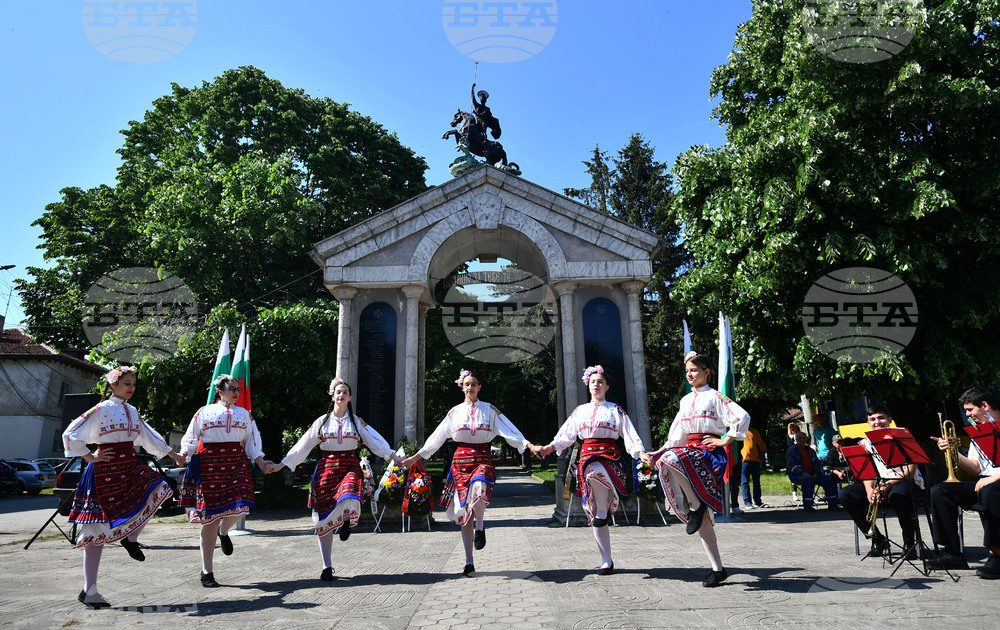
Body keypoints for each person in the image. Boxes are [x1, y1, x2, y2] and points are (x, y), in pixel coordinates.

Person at [62, 366, 186, 609]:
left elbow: (147, 435)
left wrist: (173, 454)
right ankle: (90, 590)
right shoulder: (101, 409)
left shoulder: (131, 410)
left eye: (133, 384)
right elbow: (71, 433)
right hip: (104, 472)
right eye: (127, 383)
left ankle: (131, 538)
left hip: (128, 466)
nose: (131, 388)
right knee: (95, 532)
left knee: (160, 487)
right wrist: (91, 456)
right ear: (113, 385)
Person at [401, 369, 538, 576]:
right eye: (467, 384)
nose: (470, 388)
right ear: (462, 387)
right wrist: (417, 456)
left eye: (474, 384)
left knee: (479, 485)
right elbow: (437, 437)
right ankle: (468, 562)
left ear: (479, 387)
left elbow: (509, 429)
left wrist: (527, 444)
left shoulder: (490, 410)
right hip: (460, 463)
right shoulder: (454, 412)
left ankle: (481, 527)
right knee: (464, 514)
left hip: (483, 458)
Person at [270, 378, 403, 581]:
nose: (341, 395)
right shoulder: (322, 422)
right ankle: (326, 566)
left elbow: (374, 439)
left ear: (350, 398)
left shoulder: (356, 422)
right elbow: (303, 444)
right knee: (323, 517)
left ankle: (347, 521)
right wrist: (282, 464)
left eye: (345, 392)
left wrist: (394, 456)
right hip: (326, 468)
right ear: (332, 396)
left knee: (350, 492)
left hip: (349, 464)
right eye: (338, 392)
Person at [641, 351, 750, 588]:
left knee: (671, 458)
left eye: (695, 370)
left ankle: (697, 506)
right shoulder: (685, 400)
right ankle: (718, 569)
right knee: (701, 518)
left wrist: (725, 440)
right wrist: (656, 453)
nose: (690, 374)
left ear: (706, 372)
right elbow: (676, 436)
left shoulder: (716, 396)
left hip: (708, 454)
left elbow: (742, 416)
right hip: (688, 453)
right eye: (688, 370)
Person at [534, 366, 649, 574]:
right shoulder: (580, 411)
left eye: (600, 382)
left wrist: (640, 453)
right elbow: (566, 435)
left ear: (607, 387)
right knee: (594, 509)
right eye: (593, 381)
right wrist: (549, 448)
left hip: (610, 456)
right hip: (587, 454)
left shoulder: (615, 410)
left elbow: (630, 434)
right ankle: (607, 560)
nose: (596, 384)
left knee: (595, 472)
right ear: (588, 385)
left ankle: (604, 511)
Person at [178, 374, 273, 588]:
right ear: (219, 390)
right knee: (210, 519)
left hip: (236, 462)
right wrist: (185, 453)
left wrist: (260, 460)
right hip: (209, 464)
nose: (236, 392)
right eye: (231, 388)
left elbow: (252, 440)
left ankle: (225, 531)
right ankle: (207, 571)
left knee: (242, 507)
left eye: (238, 389)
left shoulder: (244, 414)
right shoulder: (204, 412)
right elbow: (191, 436)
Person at [928, 387, 1000, 577]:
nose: (967, 415)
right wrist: (952, 451)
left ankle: (997, 555)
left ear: (984, 406)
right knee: (940, 490)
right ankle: (952, 553)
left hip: (995, 482)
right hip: (985, 481)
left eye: (970, 410)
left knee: (989, 491)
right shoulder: (980, 431)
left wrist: (994, 477)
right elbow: (975, 468)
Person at [839, 404, 924, 560]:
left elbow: (910, 472)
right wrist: (869, 490)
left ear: (890, 420)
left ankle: (910, 542)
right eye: (872, 419)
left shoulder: (903, 437)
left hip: (904, 481)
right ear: (868, 423)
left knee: (899, 496)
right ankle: (877, 538)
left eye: (881, 418)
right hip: (880, 482)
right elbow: (867, 472)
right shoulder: (865, 443)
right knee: (846, 495)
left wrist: (889, 484)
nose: (877, 422)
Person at [785, 432, 840, 511]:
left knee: (827, 479)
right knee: (808, 481)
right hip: (797, 475)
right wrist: (803, 473)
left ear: (806, 439)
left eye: (804, 438)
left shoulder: (810, 451)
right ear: (796, 440)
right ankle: (808, 505)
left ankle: (833, 504)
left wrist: (816, 472)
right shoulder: (791, 451)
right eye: (800, 438)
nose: (802, 440)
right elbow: (791, 466)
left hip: (813, 473)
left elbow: (817, 463)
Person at [740, 422, 767, 509]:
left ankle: (758, 501)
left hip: (755, 460)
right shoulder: (738, 431)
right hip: (744, 461)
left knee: (756, 481)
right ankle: (747, 502)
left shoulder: (754, 431)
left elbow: (761, 443)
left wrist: (762, 453)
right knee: (745, 482)